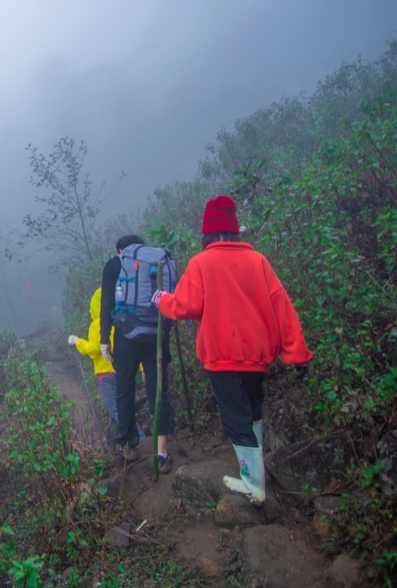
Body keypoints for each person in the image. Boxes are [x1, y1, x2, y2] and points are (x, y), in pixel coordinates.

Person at [152, 195, 313, 506]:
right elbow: (282, 307)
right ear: (235, 230)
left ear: (207, 233)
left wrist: (162, 300)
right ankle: (257, 472)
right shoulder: (259, 261)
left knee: (235, 417)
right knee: (251, 410)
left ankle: (254, 484)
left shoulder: (201, 263)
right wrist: (296, 354)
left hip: (221, 357)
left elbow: (185, 305)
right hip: (258, 354)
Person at [100, 235, 175, 471]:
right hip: (157, 335)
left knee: (124, 387)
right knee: (158, 389)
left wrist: (104, 339)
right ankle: (161, 453)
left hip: (126, 336)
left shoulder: (115, 264)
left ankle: (128, 445)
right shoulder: (159, 261)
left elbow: (106, 304)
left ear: (121, 249)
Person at [68, 288, 146, 446]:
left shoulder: (98, 325)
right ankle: (120, 443)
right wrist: (143, 369)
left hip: (106, 374)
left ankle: (141, 440)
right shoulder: (123, 320)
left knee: (117, 409)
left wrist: (77, 342)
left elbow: (94, 349)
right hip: (125, 371)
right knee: (121, 407)